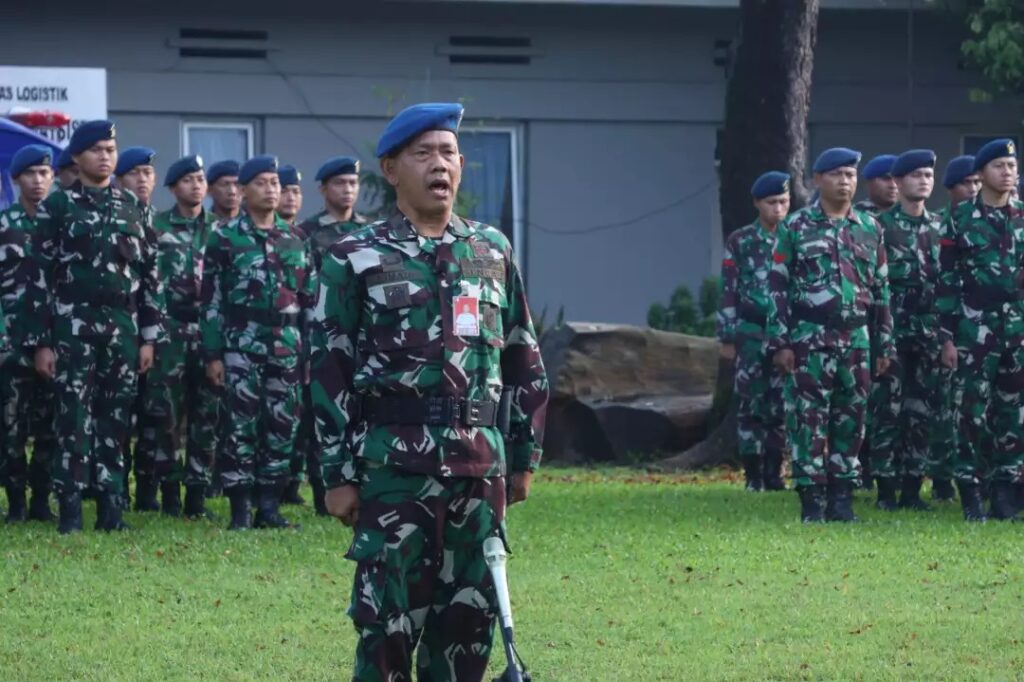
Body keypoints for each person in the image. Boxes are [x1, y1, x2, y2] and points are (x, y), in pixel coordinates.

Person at [311, 103, 549, 680]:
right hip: (393, 473)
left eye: (448, 153)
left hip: (478, 471)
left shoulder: (491, 251)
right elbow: (327, 369)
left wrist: (523, 457)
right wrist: (336, 476)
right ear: (391, 170)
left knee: (468, 630)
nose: (439, 165)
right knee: (386, 628)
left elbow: (523, 356)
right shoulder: (355, 256)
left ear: (462, 166)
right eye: (423, 154)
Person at [25, 120, 164, 534]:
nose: (106, 155)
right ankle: (69, 509)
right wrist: (41, 342)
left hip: (122, 329)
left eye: (111, 148)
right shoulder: (59, 207)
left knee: (115, 420)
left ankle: (111, 509)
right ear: (78, 157)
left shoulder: (134, 207)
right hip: (72, 330)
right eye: (97, 149)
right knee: (72, 418)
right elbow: (39, 278)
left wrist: (149, 338)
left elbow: (149, 277)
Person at [766, 147, 893, 523]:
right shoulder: (795, 227)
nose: (845, 182)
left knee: (851, 420)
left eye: (851, 175)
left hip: (856, 341)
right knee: (808, 420)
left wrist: (884, 343)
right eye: (837, 174)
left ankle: (842, 497)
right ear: (818, 179)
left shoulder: (869, 228)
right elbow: (776, 287)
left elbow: (882, 290)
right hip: (808, 340)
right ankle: (811, 499)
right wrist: (781, 343)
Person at [200, 155, 316, 530]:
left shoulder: (296, 239)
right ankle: (239, 510)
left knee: (282, 428)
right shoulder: (224, 237)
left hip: (287, 346)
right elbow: (212, 299)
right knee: (239, 427)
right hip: (241, 347)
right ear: (244, 190)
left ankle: (269, 507)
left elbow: (311, 301)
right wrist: (213, 354)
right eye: (262, 183)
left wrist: (311, 351)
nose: (271, 190)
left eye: (275, 183)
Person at [937, 139, 1024, 521]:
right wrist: (947, 336)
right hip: (975, 330)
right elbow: (946, 282)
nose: (1008, 171)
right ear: (982, 173)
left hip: (1018, 330)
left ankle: (1006, 489)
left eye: (1012, 165)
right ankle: (970, 488)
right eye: (999, 166)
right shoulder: (959, 219)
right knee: (970, 411)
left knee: (1014, 412)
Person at [134, 155, 220, 520]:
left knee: (207, 415)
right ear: (173, 188)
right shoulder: (155, 224)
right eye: (187, 180)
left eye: (200, 178)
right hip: (169, 334)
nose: (196, 185)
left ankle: (197, 496)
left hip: (209, 332)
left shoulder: (220, 228)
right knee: (165, 416)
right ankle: (168, 493)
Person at [869, 150, 945, 511]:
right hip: (891, 336)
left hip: (928, 335)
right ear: (897, 182)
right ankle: (885, 490)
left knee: (921, 414)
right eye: (915, 175)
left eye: (929, 174)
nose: (924, 180)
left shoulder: (940, 228)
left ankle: (913, 490)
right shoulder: (879, 227)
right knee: (887, 412)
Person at [294, 155, 367, 515]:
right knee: (322, 414)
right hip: (322, 336)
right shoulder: (306, 234)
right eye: (340, 183)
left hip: (365, 340)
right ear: (323, 189)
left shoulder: (371, 231)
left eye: (353, 183)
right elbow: (302, 291)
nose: (348, 189)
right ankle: (327, 489)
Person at [717, 171, 791, 492]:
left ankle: (775, 472)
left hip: (784, 334)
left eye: (784, 202)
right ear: (757, 203)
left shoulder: (795, 236)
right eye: (772, 202)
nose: (778, 208)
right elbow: (729, 289)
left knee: (781, 405)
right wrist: (727, 336)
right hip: (749, 332)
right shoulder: (741, 240)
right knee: (750, 404)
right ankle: (753, 474)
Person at [0, 145, 56, 522]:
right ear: (16, 179)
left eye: (44, 173)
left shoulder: (62, 226)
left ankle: (41, 501)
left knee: (51, 428)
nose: (38, 181)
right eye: (30, 174)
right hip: (10, 344)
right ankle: (16, 503)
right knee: (10, 429)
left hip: (55, 345)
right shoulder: (4, 226)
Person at [206, 160, 242, 225]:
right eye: (224, 184)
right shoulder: (199, 226)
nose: (232, 192)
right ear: (209, 190)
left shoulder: (256, 223)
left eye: (237, 185)